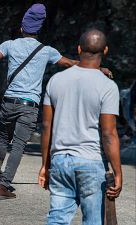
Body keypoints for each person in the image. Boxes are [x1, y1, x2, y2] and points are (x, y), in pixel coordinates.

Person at [0, 3, 112, 199]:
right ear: (39, 31)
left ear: (22, 28)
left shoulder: (10, 45)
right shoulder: (47, 51)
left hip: (9, 102)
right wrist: (100, 70)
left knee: (3, 139)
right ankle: (3, 186)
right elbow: (73, 63)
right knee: (19, 145)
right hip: (29, 106)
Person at [38, 29, 122, 225]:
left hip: (60, 161)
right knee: (93, 221)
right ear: (106, 50)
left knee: (57, 219)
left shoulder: (56, 80)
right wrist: (118, 173)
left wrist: (45, 164)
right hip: (91, 163)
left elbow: (45, 125)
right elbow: (109, 134)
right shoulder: (108, 86)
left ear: (78, 49)